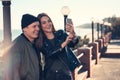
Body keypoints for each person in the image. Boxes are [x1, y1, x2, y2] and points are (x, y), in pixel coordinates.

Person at [36, 13, 80, 80]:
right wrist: (64, 43)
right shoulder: (41, 41)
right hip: (50, 75)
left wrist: (72, 33)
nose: (48, 24)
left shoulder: (60, 33)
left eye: (49, 21)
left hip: (65, 74)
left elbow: (72, 44)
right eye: (44, 23)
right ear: (40, 26)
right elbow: (50, 53)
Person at [4, 14, 42, 80]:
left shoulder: (33, 44)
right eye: (34, 26)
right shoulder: (17, 45)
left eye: (38, 26)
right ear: (24, 29)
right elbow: (12, 73)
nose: (38, 29)